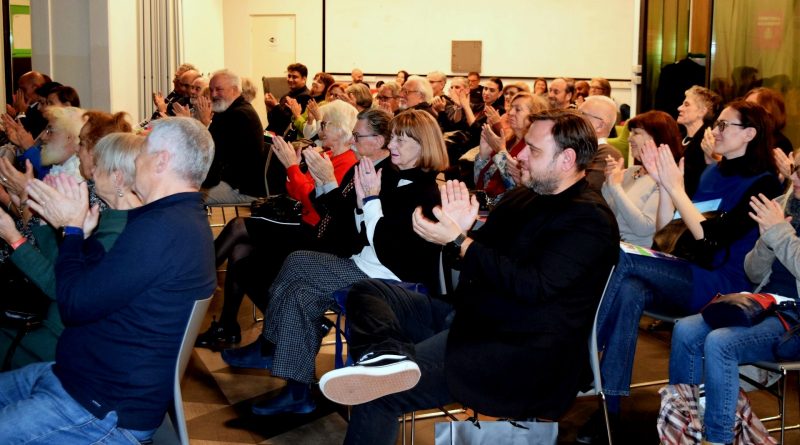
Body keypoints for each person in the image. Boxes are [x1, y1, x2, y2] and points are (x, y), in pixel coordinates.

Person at [317, 109, 620, 445]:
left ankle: (387, 372)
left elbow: (533, 286)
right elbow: (475, 256)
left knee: (375, 393)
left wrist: (460, 241)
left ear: (567, 159)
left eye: (533, 151)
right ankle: (387, 358)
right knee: (366, 291)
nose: (520, 157)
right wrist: (458, 236)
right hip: (471, 317)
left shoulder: (588, 218)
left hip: (516, 345)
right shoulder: (525, 196)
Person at [0, 117, 215, 444]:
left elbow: (73, 305)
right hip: (77, 379)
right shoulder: (172, 219)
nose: (135, 160)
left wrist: (72, 232)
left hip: (101, 408)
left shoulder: (162, 230)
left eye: (142, 151)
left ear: (161, 161)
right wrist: (83, 237)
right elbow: (99, 284)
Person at [581, 101, 784, 443]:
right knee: (629, 288)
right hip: (690, 271)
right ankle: (609, 408)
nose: (715, 131)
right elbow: (669, 235)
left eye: (724, 125)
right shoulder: (712, 173)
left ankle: (578, 360)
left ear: (750, 134)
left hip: (726, 283)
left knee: (622, 257)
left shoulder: (764, 185)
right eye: (716, 124)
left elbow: (711, 245)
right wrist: (665, 186)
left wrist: (676, 188)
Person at [221, 110, 448, 416]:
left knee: (297, 262)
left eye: (401, 140)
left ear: (423, 145)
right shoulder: (394, 176)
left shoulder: (424, 191)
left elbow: (386, 248)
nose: (392, 144)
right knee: (299, 294)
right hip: (367, 264)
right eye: (393, 137)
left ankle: (271, 346)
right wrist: (362, 205)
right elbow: (359, 230)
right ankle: (297, 392)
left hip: (388, 281)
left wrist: (369, 202)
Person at [197, 108, 397, 348]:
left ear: (378, 140)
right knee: (242, 250)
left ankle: (199, 284)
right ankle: (237, 325)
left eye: (326, 125)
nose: (321, 130)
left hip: (321, 236)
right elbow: (307, 198)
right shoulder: (347, 162)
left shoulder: (358, 166)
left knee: (245, 246)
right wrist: (298, 171)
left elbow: (330, 214)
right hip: (315, 228)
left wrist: (300, 170)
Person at [669, 180, 800, 445]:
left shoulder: (780, 218)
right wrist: (766, 243)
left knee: (721, 342)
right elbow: (753, 273)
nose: (794, 178)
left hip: (794, 317)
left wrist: (779, 232)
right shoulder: (782, 205)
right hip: (764, 302)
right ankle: (685, 430)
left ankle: (719, 439)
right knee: (685, 329)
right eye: (796, 170)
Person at [0, 133, 142, 368]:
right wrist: (46, 224)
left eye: (99, 165)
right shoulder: (115, 217)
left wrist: (13, 237)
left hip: (61, 343)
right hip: (58, 326)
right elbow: (66, 268)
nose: (92, 171)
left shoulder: (116, 233)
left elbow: (59, 287)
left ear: (117, 178)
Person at [602, 110, 682, 247]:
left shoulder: (667, 179)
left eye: (636, 133)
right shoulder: (631, 171)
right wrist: (609, 181)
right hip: (612, 244)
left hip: (634, 253)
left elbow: (644, 228)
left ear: (656, 137)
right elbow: (609, 213)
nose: (629, 139)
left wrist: (615, 188)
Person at [203, 69, 266, 204]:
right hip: (227, 180)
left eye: (219, 89)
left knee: (185, 200)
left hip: (240, 188)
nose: (213, 94)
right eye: (211, 89)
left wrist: (199, 183)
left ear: (235, 90)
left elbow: (216, 154)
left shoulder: (240, 115)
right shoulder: (227, 110)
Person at [474, 92, 548, 202]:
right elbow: (480, 183)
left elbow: (518, 190)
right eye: (511, 108)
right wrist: (483, 155)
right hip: (487, 204)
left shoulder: (534, 149)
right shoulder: (508, 141)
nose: (510, 113)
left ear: (533, 116)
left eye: (518, 109)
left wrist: (501, 152)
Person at [678, 85, 722, 199]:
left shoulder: (710, 141)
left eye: (686, 104)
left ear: (702, 112)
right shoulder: (678, 137)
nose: (679, 108)